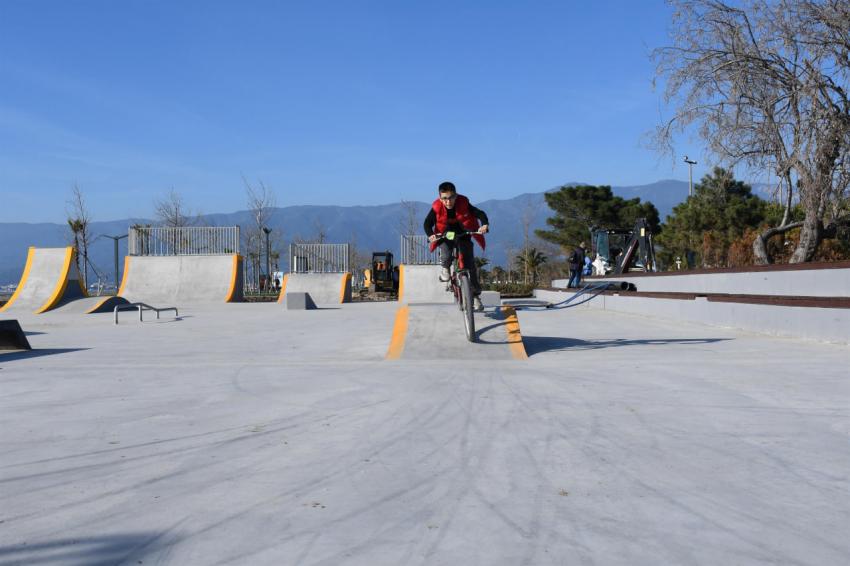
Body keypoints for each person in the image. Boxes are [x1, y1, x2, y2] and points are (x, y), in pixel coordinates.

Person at [423, 181, 489, 311]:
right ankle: (445, 269)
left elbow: (479, 213)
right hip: (445, 235)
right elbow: (427, 223)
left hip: (463, 234)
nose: (448, 202)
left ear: (456, 196)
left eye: (451, 197)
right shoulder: (436, 207)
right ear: (440, 198)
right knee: (446, 252)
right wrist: (430, 234)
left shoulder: (463, 203)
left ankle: (475, 297)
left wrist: (485, 224)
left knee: (470, 265)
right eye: (444, 199)